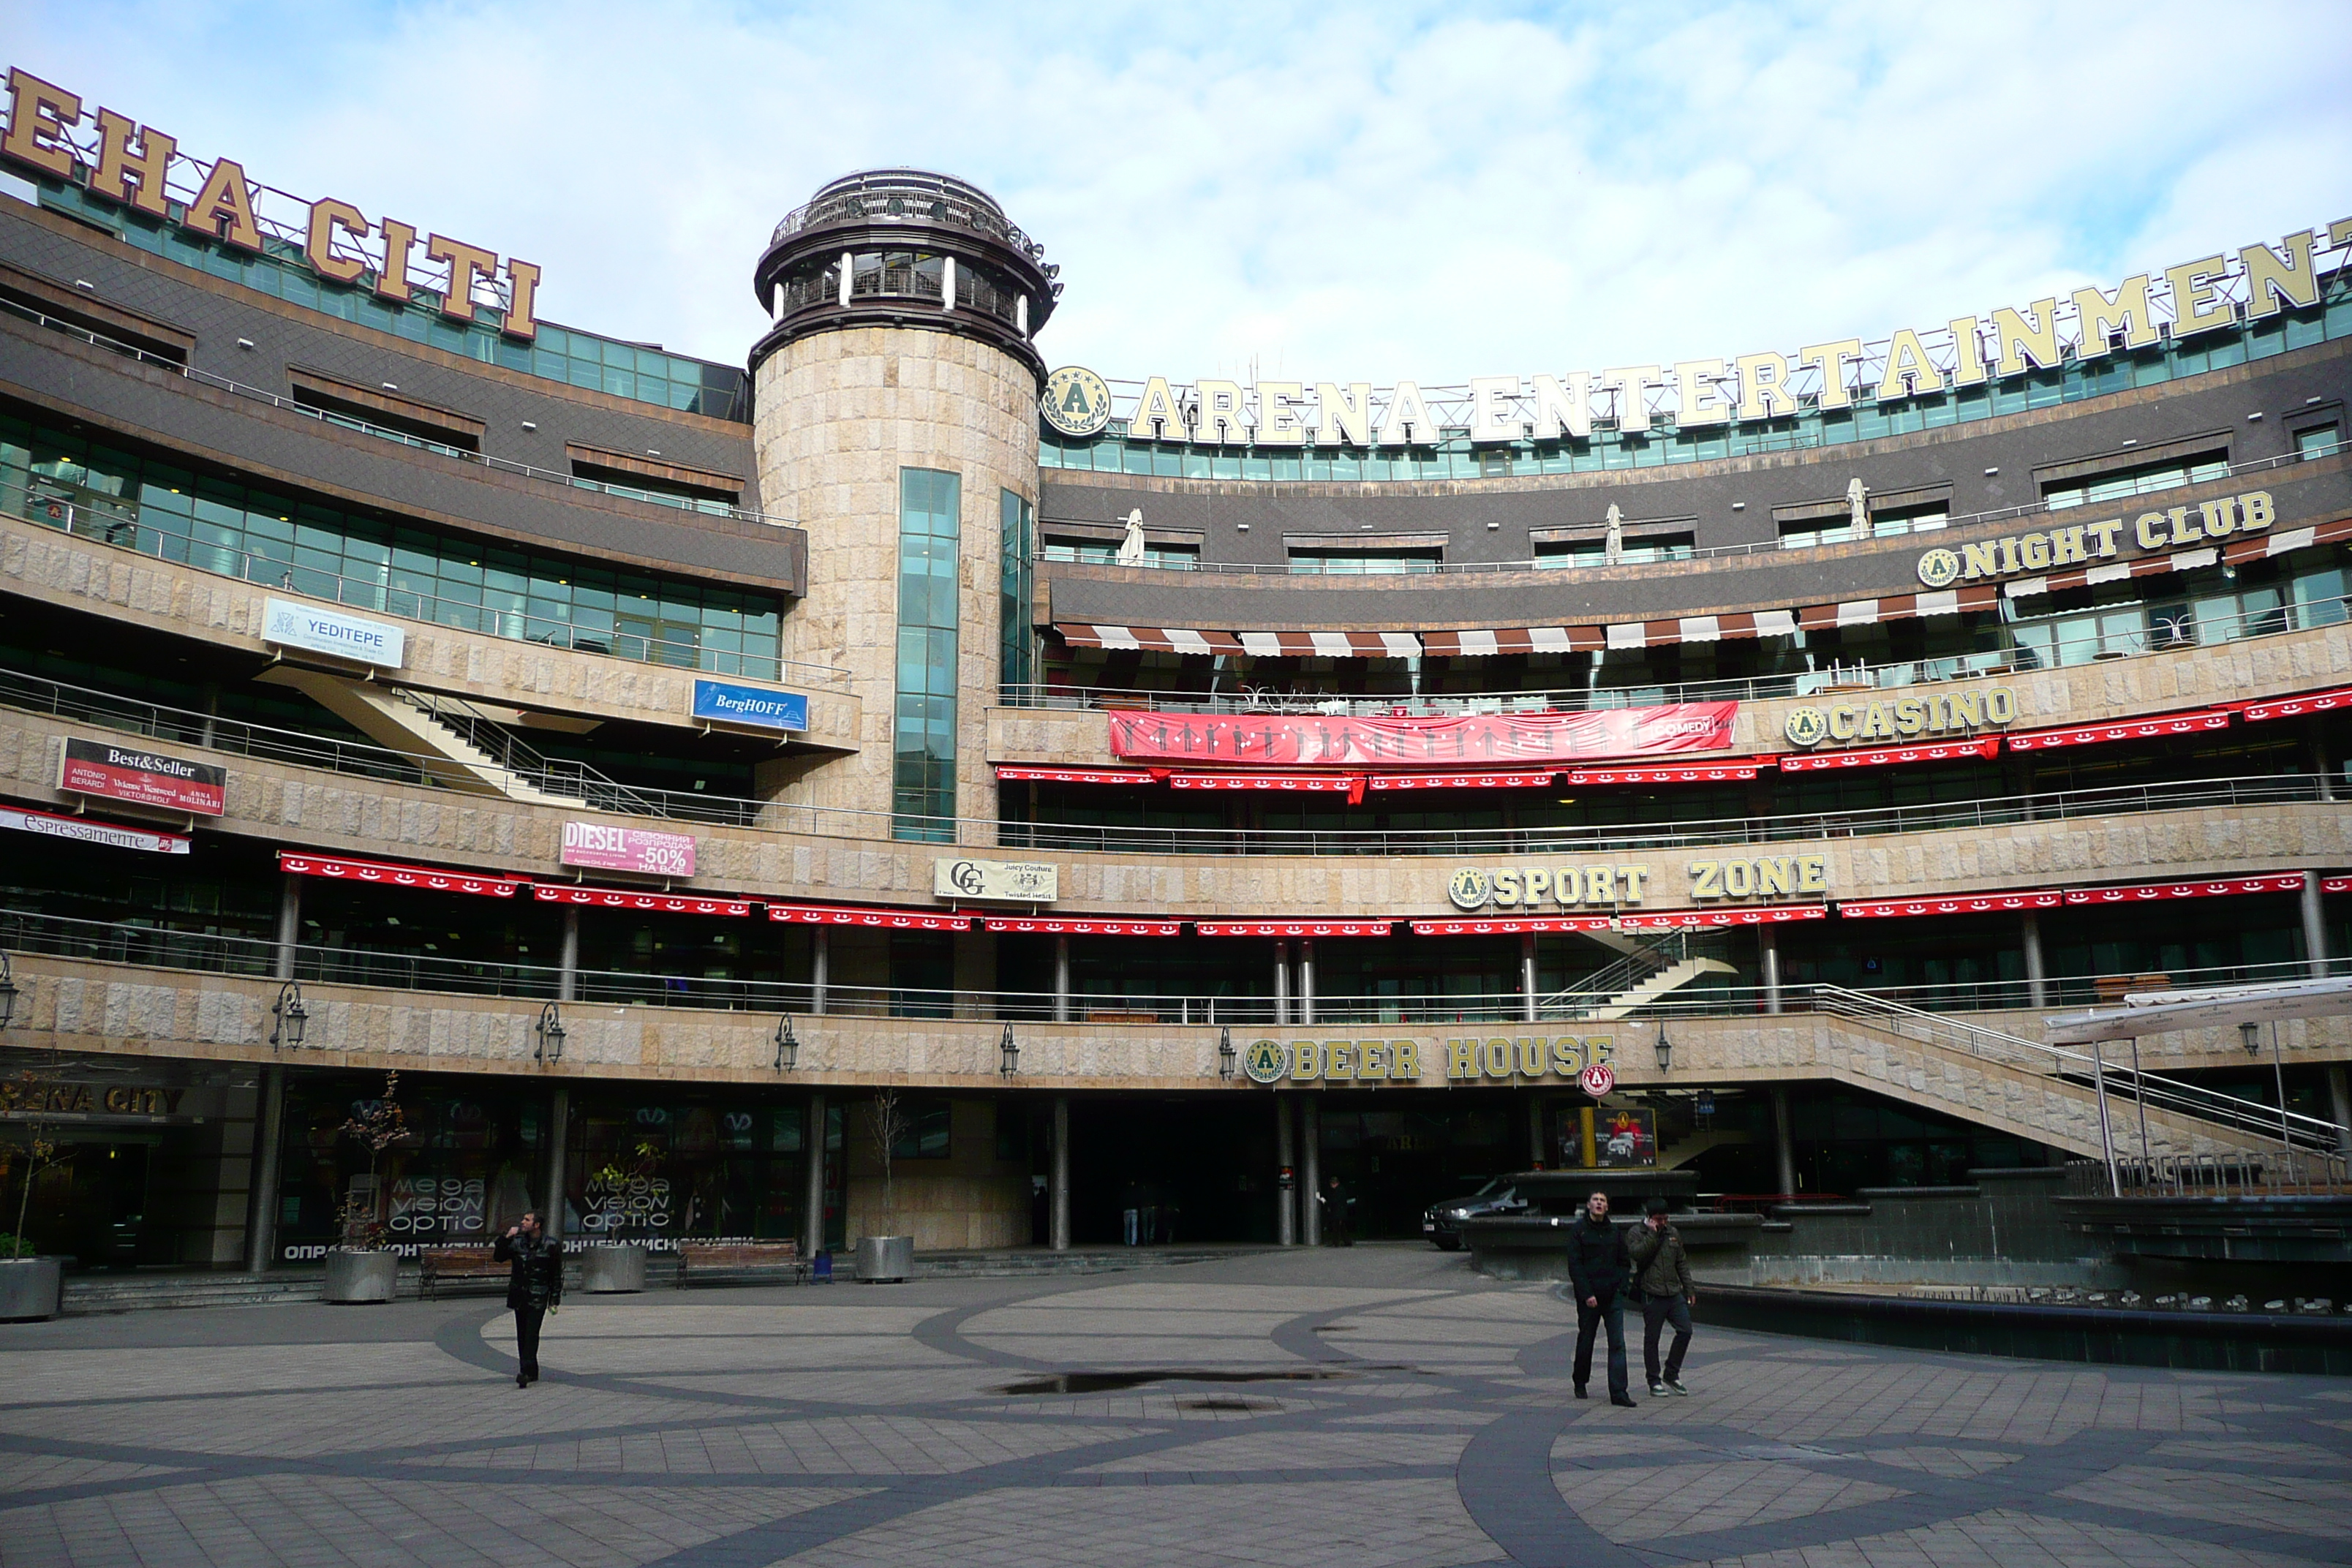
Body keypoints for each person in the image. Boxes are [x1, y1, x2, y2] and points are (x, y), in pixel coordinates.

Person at [1565, 1190, 1635, 1406]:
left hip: (1612, 1296)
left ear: (1606, 1207)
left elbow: (1624, 1262)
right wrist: (1587, 1294)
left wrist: (1622, 1287)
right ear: (1588, 1205)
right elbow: (1575, 1265)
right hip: (1589, 1298)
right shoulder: (1579, 1231)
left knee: (1618, 1344)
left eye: (1602, 1201)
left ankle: (1619, 1392)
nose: (1599, 1203)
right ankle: (1580, 1381)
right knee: (1586, 1340)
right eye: (1595, 1200)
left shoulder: (1614, 1231)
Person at [1627, 1196, 1696, 1397]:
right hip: (1652, 1293)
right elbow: (1637, 1255)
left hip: (1673, 1292)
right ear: (1649, 1217)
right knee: (1652, 1339)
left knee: (1685, 1331)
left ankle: (1671, 1373)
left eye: (1665, 1219)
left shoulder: (1673, 1233)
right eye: (1659, 1219)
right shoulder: (1636, 1233)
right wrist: (1651, 1234)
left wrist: (1689, 1289)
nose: (1663, 1223)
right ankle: (1654, 1380)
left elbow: (1681, 1262)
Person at [494, 1210, 563, 1388]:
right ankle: (531, 1370)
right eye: (523, 1219)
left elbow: (556, 1275)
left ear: (537, 1225)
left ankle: (525, 1371)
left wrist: (554, 1300)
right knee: (522, 1334)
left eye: (527, 1220)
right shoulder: (517, 1242)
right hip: (520, 1295)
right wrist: (506, 1237)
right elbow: (499, 1257)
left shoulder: (551, 1245)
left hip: (538, 1295)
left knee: (532, 1334)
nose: (523, 1222)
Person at [1318, 1175, 1354, 1246]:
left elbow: (1334, 1201)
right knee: (1342, 1228)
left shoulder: (1337, 1191)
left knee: (1336, 1228)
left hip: (1338, 1213)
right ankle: (1346, 1242)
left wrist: (1325, 1202)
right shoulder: (1342, 1190)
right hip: (1341, 1212)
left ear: (1334, 1184)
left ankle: (1336, 1242)